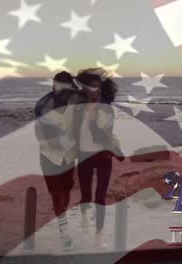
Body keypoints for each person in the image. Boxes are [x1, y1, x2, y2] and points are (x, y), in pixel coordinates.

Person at [74, 68, 123, 247]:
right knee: (85, 195)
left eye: (99, 88)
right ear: (86, 89)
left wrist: (93, 118)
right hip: (84, 155)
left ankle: (98, 233)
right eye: (92, 87)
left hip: (102, 156)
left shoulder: (107, 110)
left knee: (100, 196)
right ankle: (85, 222)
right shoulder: (77, 109)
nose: (96, 91)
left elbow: (103, 135)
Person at [34, 71, 81, 250]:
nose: (63, 89)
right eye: (59, 85)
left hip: (69, 157)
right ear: (54, 84)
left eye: (66, 85)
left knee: (66, 190)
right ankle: (64, 231)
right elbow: (40, 134)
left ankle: (62, 215)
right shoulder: (42, 105)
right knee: (56, 194)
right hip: (49, 156)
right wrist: (62, 141)